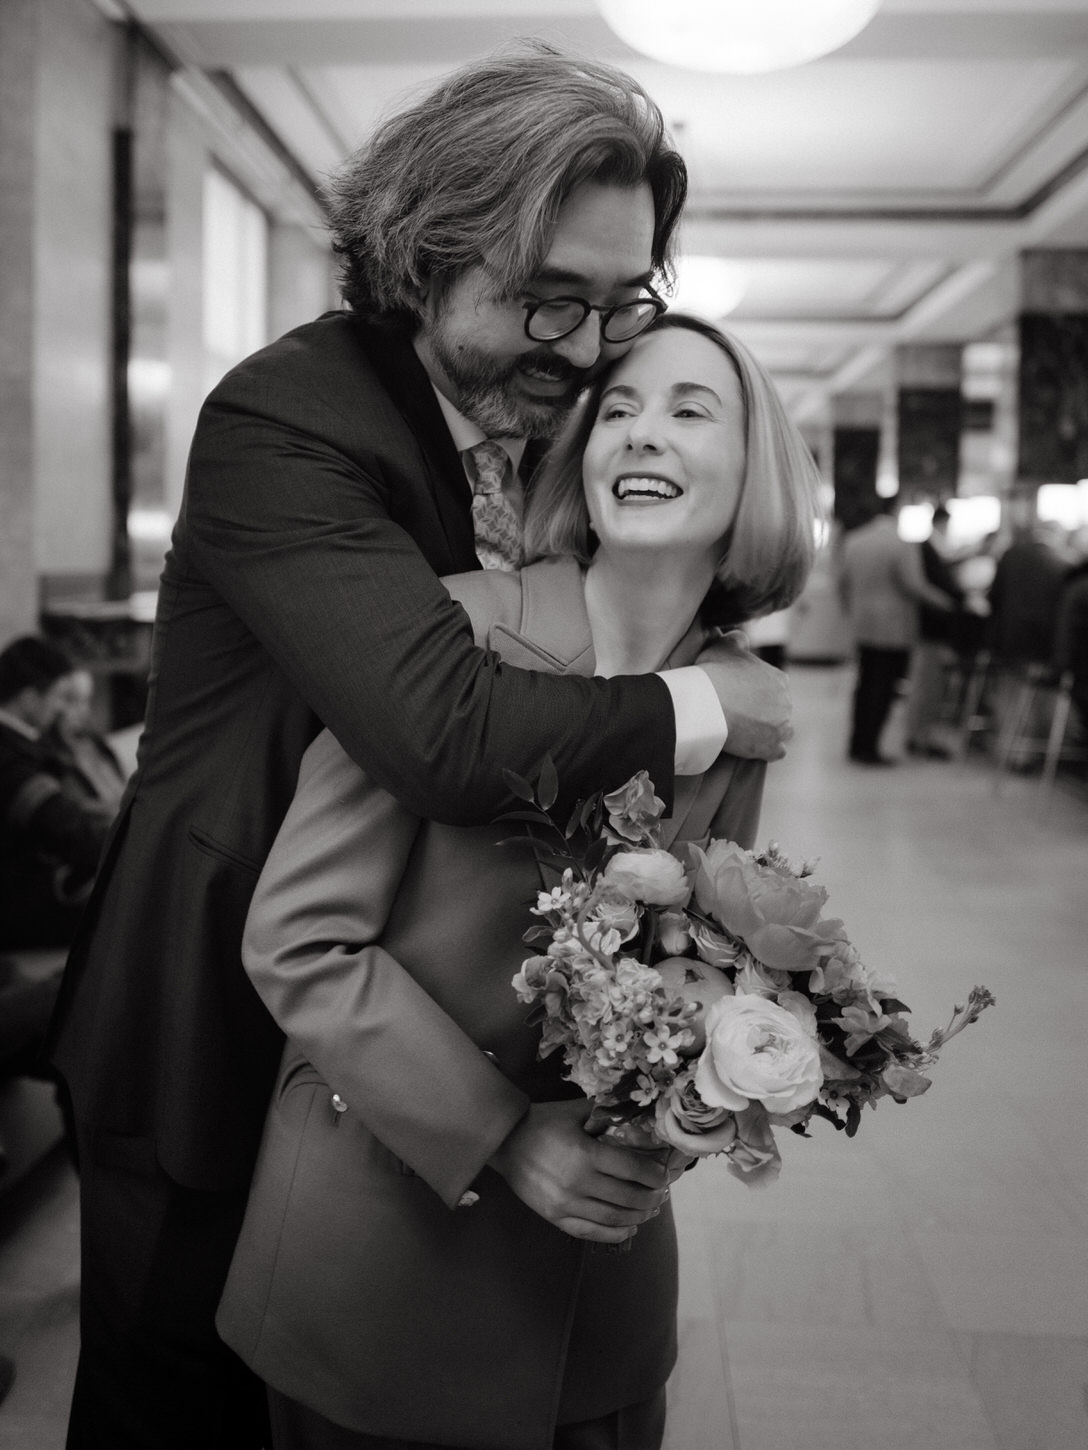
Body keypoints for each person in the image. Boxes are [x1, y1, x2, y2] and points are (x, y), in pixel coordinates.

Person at [47, 46, 793, 1450]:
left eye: (617, 304)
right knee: (179, 1407)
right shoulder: (292, 418)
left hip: (402, 1043)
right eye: (546, 299)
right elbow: (445, 729)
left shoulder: (538, 423)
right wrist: (711, 704)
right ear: (424, 253)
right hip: (217, 1009)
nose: (586, 352)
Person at [216, 314, 821, 1450]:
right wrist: (503, 1135)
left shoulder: (743, 704)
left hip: (599, 1275)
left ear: (757, 472)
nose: (641, 434)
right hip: (381, 1241)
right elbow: (300, 941)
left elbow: (703, 960)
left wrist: (709, 1084)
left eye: (690, 410)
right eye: (618, 410)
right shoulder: (452, 634)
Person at [0, 637, 110, 950]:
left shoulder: (22, 746)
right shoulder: (9, 757)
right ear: (29, 697)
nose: (62, 709)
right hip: (21, 909)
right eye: (61, 697)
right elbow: (65, 829)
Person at [838, 495, 956, 765]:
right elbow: (914, 585)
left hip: (863, 625)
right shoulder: (901, 544)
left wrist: (852, 612)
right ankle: (871, 748)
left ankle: (858, 743)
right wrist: (948, 603)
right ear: (896, 511)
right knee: (884, 687)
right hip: (893, 628)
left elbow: (842, 583)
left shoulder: (855, 539)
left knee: (865, 685)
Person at [904, 503, 965, 758]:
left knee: (929, 684)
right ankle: (920, 736)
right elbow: (923, 587)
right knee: (928, 685)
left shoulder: (932, 549)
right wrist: (952, 604)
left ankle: (920, 735)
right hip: (932, 628)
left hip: (933, 626)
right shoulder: (927, 549)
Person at [41, 667, 128, 821]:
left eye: (87, 700)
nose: (84, 711)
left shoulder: (95, 744)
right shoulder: (48, 758)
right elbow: (73, 809)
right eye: (73, 701)